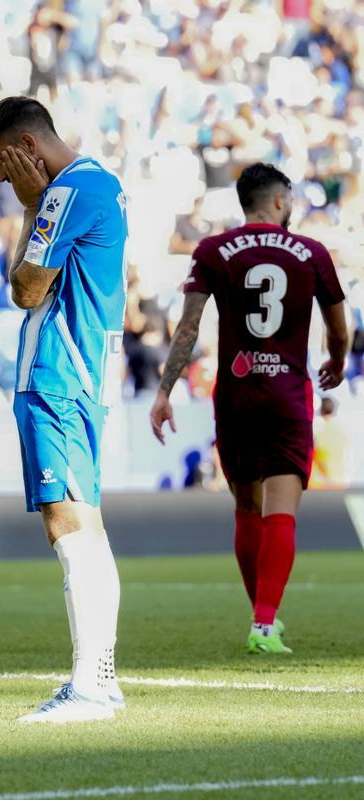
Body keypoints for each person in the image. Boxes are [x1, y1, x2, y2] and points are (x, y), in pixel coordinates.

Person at [150, 163, 347, 655]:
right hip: (287, 395)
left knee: (245, 508)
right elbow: (340, 329)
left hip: (236, 393)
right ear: (279, 201)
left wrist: (163, 392)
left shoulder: (213, 250)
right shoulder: (312, 253)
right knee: (282, 510)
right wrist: (338, 363)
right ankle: (264, 623)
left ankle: (261, 618)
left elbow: (189, 328)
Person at [0, 97, 128, 722]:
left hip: (57, 373)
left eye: (0, 163)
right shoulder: (105, 182)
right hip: (88, 373)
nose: (1, 179)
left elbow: (25, 289)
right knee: (87, 525)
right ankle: (102, 680)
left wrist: (35, 204)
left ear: (27, 148)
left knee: (68, 525)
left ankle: (90, 689)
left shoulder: (63, 193)